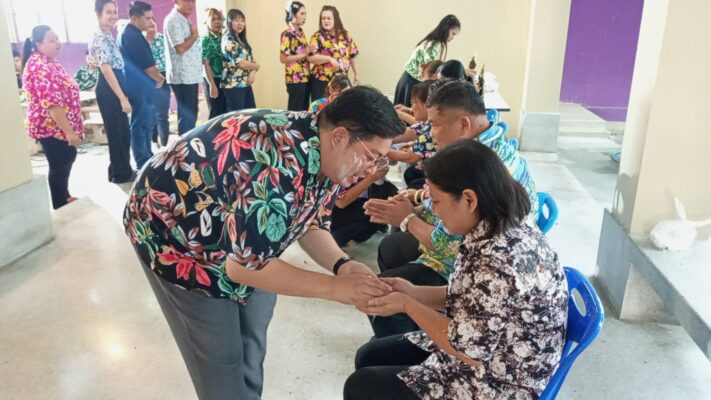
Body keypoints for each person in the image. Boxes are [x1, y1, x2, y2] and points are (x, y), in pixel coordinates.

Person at [123, 86, 405, 400]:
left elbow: (310, 220)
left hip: (244, 240)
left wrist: (343, 265)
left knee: (253, 335)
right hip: (178, 237)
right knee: (220, 355)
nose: (371, 169)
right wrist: (335, 289)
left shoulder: (328, 152)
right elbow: (244, 268)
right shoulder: (273, 163)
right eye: (371, 157)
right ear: (340, 136)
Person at [345, 140, 568, 400]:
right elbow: (470, 296)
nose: (434, 210)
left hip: (498, 380)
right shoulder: (497, 223)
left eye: (437, 201)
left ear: (469, 199)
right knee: (369, 356)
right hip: (484, 346)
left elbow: (469, 351)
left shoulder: (499, 260)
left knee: (362, 386)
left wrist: (407, 304)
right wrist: (412, 292)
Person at [364, 80, 539, 337]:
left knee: (383, 292)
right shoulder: (487, 147)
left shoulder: (482, 166)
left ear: (463, 124)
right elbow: (452, 209)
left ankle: (413, 340)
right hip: (474, 261)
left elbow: (454, 245)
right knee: (391, 250)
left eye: (435, 125)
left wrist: (407, 219)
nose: (431, 133)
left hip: (468, 269)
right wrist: (419, 203)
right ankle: (408, 333)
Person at [22, 25, 83, 210]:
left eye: (57, 39)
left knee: (67, 158)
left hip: (59, 125)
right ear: (38, 44)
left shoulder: (50, 61)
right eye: (51, 40)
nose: (57, 43)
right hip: (50, 127)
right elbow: (52, 104)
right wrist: (70, 133)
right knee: (59, 163)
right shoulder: (38, 66)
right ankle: (60, 203)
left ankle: (65, 196)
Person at [90, 0, 134, 184]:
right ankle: (121, 174)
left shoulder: (107, 34)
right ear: (98, 14)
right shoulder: (99, 37)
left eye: (115, 12)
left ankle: (119, 169)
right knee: (117, 133)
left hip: (114, 83)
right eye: (108, 12)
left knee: (122, 132)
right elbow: (106, 69)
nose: (113, 16)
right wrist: (122, 98)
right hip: (110, 88)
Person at [119, 1, 165, 170]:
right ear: (134, 18)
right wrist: (160, 79)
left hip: (142, 87)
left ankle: (146, 156)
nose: (150, 22)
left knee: (146, 124)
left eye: (151, 18)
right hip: (139, 89)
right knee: (140, 125)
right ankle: (142, 160)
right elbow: (148, 67)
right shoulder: (132, 35)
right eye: (147, 18)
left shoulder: (133, 33)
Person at [393, 14, 460, 107]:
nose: (452, 38)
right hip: (411, 83)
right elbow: (430, 70)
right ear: (446, 28)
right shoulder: (432, 45)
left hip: (411, 82)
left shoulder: (434, 43)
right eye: (453, 33)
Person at [331, 164, 398, 247]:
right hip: (338, 212)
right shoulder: (343, 166)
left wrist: (378, 177)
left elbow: (394, 161)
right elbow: (340, 202)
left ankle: (369, 229)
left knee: (391, 195)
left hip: (367, 193)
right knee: (337, 238)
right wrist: (371, 178)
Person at [387, 80, 437, 190]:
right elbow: (408, 133)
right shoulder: (426, 123)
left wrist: (382, 151)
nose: (412, 108)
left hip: (438, 176)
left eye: (415, 103)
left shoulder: (432, 127)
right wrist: (380, 140)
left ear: (427, 105)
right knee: (410, 173)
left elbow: (409, 157)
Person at [164, 0, 202, 135]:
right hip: (183, 76)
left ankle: (188, 144)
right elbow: (179, 48)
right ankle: (184, 147)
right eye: (186, 0)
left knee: (191, 114)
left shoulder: (184, 19)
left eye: (193, 1)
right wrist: (194, 36)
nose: (191, 4)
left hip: (190, 75)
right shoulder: (173, 20)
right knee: (187, 118)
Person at [307, 5, 359, 100]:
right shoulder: (317, 36)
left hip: (341, 81)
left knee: (341, 106)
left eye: (329, 18)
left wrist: (357, 74)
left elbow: (353, 55)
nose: (326, 21)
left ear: (336, 19)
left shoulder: (345, 35)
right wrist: (329, 59)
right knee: (322, 107)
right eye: (323, 18)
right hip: (321, 82)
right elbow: (311, 57)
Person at [221, 8, 258, 112]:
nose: (240, 23)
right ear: (229, 22)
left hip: (245, 84)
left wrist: (253, 72)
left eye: (242, 20)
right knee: (237, 118)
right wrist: (256, 67)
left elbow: (252, 60)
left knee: (250, 115)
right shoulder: (228, 39)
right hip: (233, 86)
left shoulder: (242, 39)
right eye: (236, 20)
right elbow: (240, 63)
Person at [280, 1, 311, 111]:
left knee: (304, 112)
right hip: (295, 79)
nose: (304, 17)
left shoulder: (301, 33)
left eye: (305, 14)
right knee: (295, 113)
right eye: (302, 14)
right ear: (293, 15)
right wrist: (304, 54)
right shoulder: (287, 34)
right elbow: (283, 58)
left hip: (306, 78)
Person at [145, 20, 170, 147]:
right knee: (150, 113)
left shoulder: (162, 39)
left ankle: (164, 144)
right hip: (147, 78)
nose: (151, 29)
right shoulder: (140, 42)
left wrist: (162, 78)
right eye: (148, 27)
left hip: (163, 77)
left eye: (153, 26)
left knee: (162, 114)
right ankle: (154, 140)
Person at [201, 7, 226, 120]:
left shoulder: (224, 37)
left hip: (225, 80)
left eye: (219, 19)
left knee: (226, 113)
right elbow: (205, 64)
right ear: (207, 22)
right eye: (213, 19)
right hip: (212, 79)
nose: (217, 22)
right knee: (216, 113)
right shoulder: (205, 39)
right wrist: (212, 84)